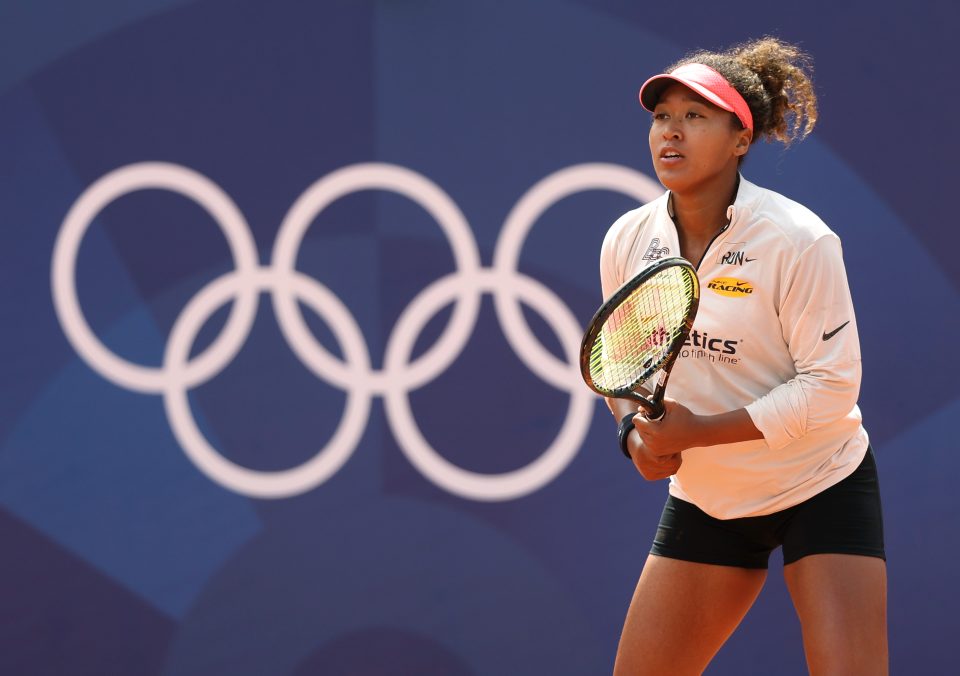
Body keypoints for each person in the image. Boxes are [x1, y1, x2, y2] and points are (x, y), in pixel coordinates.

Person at [600, 37, 887, 675]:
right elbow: (619, 360)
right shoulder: (627, 239)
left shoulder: (799, 240)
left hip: (820, 483)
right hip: (710, 499)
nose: (670, 133)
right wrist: (631, 434)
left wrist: (698, 432)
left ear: (740, 139)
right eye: (661, 117)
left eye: (694, 117)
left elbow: (831, 387)